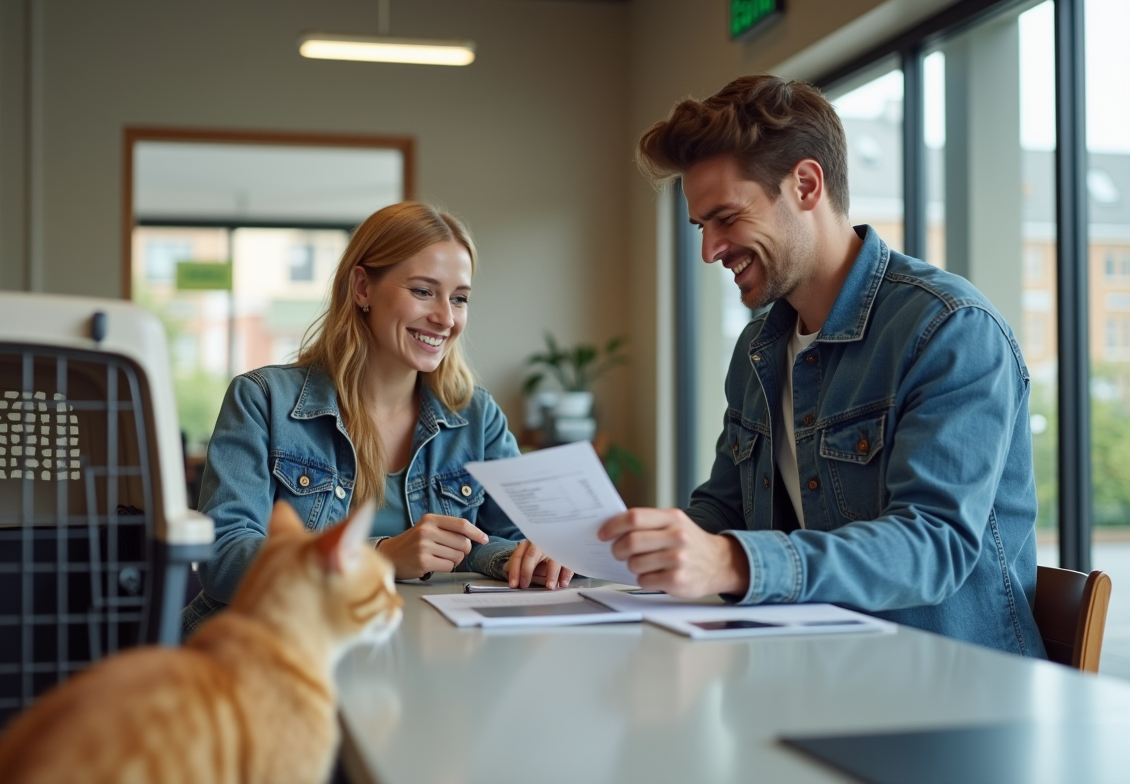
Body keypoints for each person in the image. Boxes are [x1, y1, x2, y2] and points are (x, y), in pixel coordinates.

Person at [599, 75, 1045, 657]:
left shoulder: (948, 329)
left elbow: (933, 546)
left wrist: (733, 561)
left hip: (952, 694)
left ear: (806, 185)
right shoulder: (758, 346)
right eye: (701, 226)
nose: (709, 250)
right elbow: (725, 507)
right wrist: (616, 546)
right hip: (815, 669)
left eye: (726, 218)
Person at [182, 202, 571, 636]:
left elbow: (509, 540)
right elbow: (223, 557)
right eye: (423, 291)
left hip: (422, 651)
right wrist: (379, 556)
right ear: (362, 288)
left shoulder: (477, 416)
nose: (446, 317)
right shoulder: (263, 400)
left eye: (459, 298)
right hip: (273, 651)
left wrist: (528, 557)